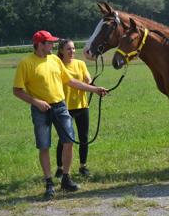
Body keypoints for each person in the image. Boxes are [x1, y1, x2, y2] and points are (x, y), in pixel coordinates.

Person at [13, 30, 107, 199]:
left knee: (69, 141)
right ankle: (49, 183)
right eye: (49, 43)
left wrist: (95, 89)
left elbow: (70, 81)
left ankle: (65, 178)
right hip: (41, 110)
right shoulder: (26, 63)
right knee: (44, 146)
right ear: (40, 44)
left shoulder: (55, 60)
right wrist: (36, 102)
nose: (53, 45)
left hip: (60, 107)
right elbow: (17, 91)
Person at [55, 39, 91, 178]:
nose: (72, 51)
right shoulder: (58, 66)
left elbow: (87, 79)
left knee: (84, 137)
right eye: (69, 49)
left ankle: (83, 166)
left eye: (73, 48)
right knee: (64, 140)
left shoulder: (80, 64)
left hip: (82, 106)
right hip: (65, 107)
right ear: (61, 51)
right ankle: (60, 167)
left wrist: (89, 82)